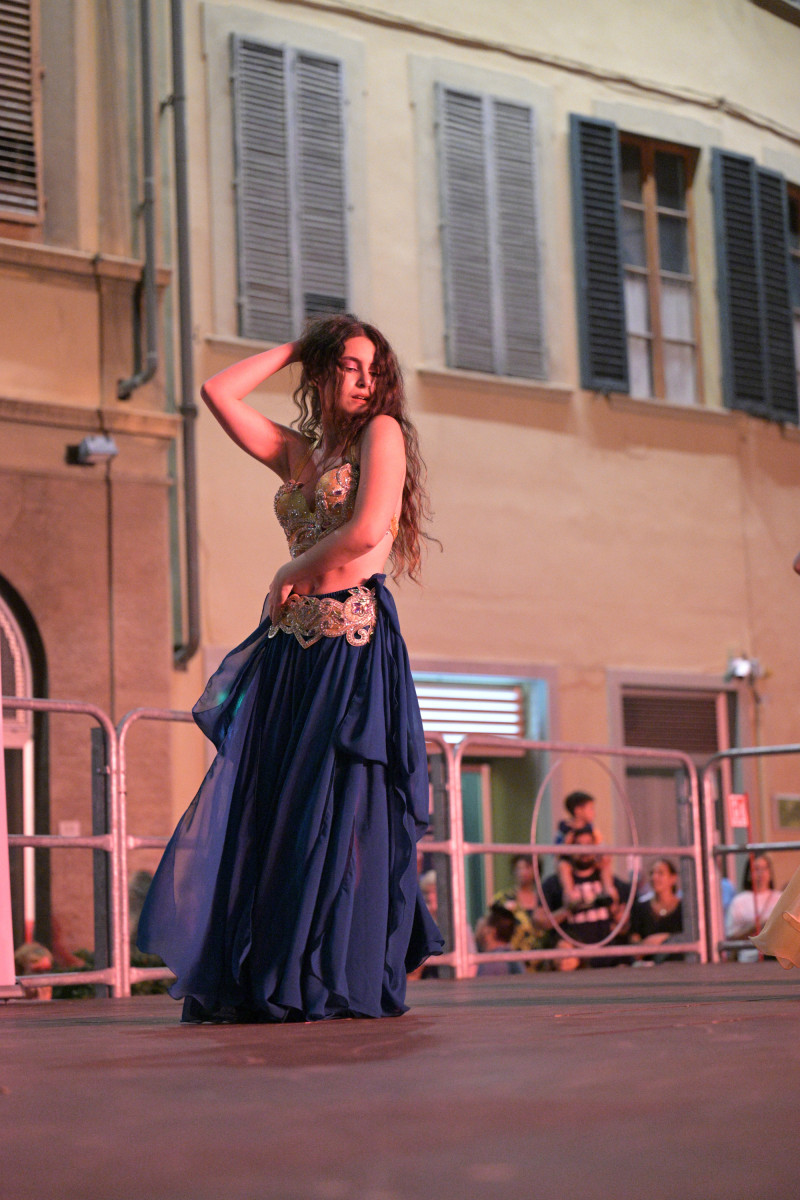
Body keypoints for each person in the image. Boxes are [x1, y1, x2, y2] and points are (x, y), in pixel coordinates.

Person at [138, 314, 443, 1022]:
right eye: (348, 365)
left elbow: (367, 530)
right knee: (275, 811)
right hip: (290, 653)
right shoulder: (302, 454)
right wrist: (302, 347)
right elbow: (218, 393)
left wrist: (291, 570)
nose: (363, 380)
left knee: (333, 810)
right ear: (323, 372)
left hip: (348, 647)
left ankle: (327, 973)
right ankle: (274, 968)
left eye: (373, 369)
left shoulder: (382, 434)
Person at [534, 827, 628, 970]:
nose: (584, 851)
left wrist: (617, 915)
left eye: (589, 845)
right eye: (578, 845)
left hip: (607, 962)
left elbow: (624, 925)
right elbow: (538, 921)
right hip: (573, 965)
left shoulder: (609, 879)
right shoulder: (553, 884)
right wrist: (566, 911)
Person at [554, 791, 618, 911]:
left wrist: (602, 855)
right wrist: (567, 843)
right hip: (571, 862)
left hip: (589, 861)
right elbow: (557, 850)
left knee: (605, 862)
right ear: (578, 811)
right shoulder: (564, 828)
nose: (594, 813)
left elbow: (600, 843)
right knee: (563, 867)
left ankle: (608, 890)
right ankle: (571, 894)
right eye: (591, 809)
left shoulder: (591, 828)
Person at [725, 854, 782, 963]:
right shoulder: (739, 901)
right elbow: (730, 937)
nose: (761, 873)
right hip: (749, 959)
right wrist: (755, 928)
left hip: (776, 957)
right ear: (748, 873)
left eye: (765, 868)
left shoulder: (780, 898)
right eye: (756, 869)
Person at [628, 858, 683, 962]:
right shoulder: (640, 907)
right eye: (652, 873)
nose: (654, 877)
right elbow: (634, 939)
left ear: (673, 878)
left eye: (660, 873)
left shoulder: (684, 908)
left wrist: (664, 938)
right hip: (649, 966)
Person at [476, 906, 525, 977]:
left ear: (490, 931)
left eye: (484, 920)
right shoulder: (514, 958)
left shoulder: (492, 963)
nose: (479, 922)